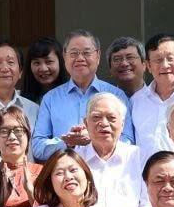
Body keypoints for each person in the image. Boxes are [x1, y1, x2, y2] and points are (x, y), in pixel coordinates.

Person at [31, 30, 134, 160]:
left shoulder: (116, 95)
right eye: (74, 53)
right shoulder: (50, 98)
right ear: (64, 57)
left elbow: (128, 140)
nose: (80, 58)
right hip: (66, 170)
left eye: (86, 53)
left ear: (98, 56)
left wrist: (95, 139)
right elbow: (37, 146)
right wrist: (67, 143)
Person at [76, 93, 144, 207]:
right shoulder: (75, 160)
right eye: (96, 117)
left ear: (122, 124)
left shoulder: (139, 157)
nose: (104, 123)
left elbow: (147, 203)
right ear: (86, 123)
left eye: (111, 118)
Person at [0, 105, 40, 207]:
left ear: (28, 136)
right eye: (4, 131)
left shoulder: (43, 173)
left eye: (18, 130)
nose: (12, 137)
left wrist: (30, 192)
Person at [22, 36, 68, 102]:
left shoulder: (74, 95)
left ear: (61, 62)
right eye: (37, 63)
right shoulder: (22, 100)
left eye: (49, 62)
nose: (43, 69)